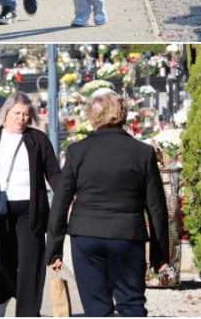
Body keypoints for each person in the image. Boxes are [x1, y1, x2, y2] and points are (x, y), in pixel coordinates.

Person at [46, 89, 169, 317]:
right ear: (123, 114)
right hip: (127, 236)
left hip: (86, 236)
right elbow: (156, 207)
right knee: (131, 303)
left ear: (93, 117)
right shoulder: (142, 153)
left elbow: (61, 202)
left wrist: (54, 249)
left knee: (96, 307)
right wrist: (160, 254)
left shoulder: (77, 151)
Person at [0, 92, 61, 317]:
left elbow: (54, 173)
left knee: (30, 265)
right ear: (6, 113)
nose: (22, 118)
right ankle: (2, 297)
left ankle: (27, 313)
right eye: (17, 113)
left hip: (31, 210)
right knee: (2, 264)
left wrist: (66, 198)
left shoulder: (38, 139)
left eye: (27, 115)